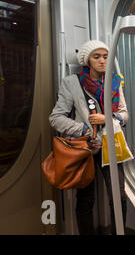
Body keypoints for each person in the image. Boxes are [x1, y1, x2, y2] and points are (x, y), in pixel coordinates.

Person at [49, 40, 129, 235]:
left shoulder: (115, 82)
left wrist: (107, 118)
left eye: (105, 56)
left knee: (119, 198)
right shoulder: (72, 83)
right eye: (97, 56)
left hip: (112, 146)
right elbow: (56, 118)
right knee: (86, 199)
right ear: (87, 60)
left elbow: (125, 115)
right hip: (87, 149)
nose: (102, 61)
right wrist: (84, 129)